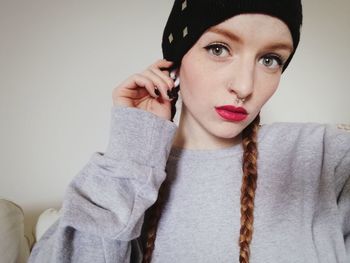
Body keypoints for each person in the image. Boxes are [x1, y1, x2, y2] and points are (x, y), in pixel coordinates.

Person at [28, 0, 350, 262]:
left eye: (270, 59)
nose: (244, 86)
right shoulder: (136, 176)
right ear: (175, 62)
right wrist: (134, 147)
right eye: (219, 49)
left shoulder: (325, 155)